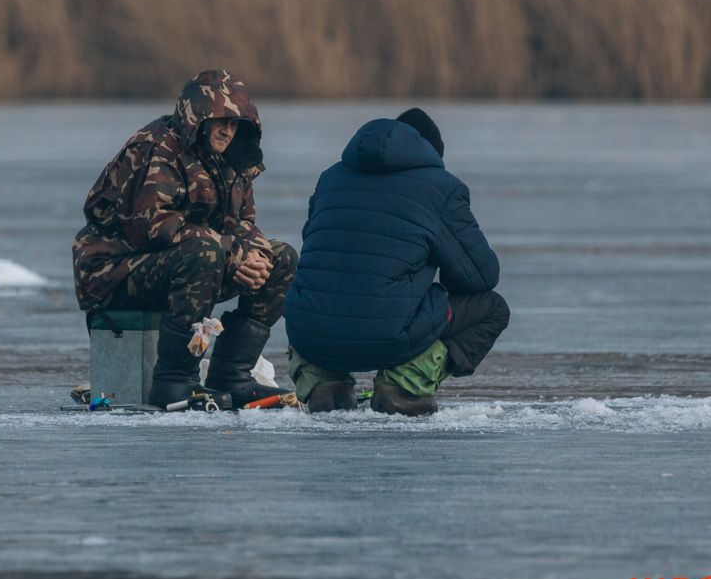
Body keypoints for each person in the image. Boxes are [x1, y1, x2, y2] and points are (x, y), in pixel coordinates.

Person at [72, 70, 297, 409]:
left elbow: (244, 223)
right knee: (204, 252)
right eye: (220, 120)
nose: (228, 130)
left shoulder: (232, 159)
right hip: (115, 272)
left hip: (187, 263)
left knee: (280, 259)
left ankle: (232, 375)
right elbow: (152, 228)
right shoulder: (156, 148)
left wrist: (251, 256)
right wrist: (232, 253)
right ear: (198, 120)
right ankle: (174, 382)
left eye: (236, 123)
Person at [283, 108, 509, 416]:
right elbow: (481, 277)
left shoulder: (330, 178)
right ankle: (403, 386)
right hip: (386, 331)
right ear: (431, 152)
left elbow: (318, 247)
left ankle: (324, 384)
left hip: (308, 331)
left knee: (319, 293)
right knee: (492, 308)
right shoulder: (440, 187)